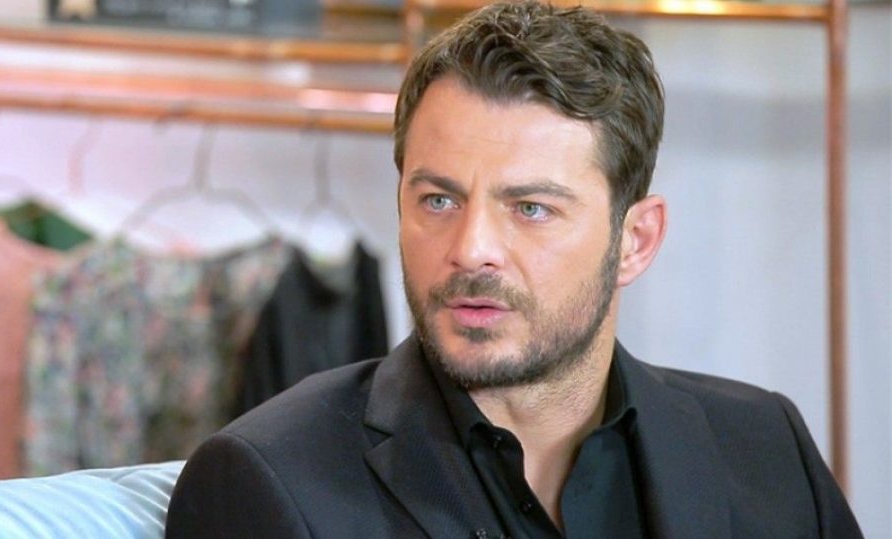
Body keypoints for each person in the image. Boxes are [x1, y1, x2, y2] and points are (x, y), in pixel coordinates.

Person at [165, 2, 862, 537]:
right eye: (438, 200)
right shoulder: (267, 480)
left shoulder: (766, 447)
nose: (471, 248)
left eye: (530, 208)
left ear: (635, 240)